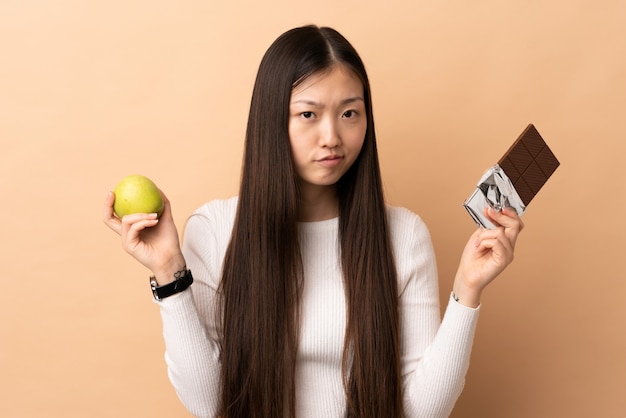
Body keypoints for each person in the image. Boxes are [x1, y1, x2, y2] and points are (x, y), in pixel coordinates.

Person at [103, 25, 523, 418]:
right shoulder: (214, 229)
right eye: (308, 114)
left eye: (349, 113)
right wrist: (169, 274)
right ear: (272, 120)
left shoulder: (404, 235)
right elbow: (209, 403)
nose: (332, 137)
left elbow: (419, 410)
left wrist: (468, 289)